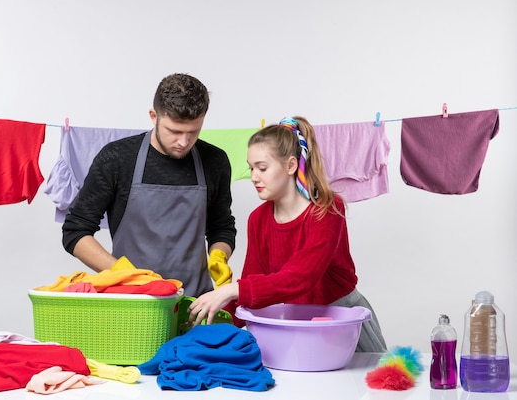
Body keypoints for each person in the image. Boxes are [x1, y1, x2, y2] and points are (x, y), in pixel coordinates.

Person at [188, 116, 387, 352]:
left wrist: (233, 289)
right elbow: (255, 285)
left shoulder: (327, 210)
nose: (253, 177)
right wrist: (211, 318)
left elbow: (301, 276)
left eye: (262, 168)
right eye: (251, 168)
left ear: (291, 165)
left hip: (344, 325)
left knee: (366, 386)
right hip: (301, 327)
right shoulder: (258, 219)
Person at [62, 73, 236, 297]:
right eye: (174, 131)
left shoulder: (215, 161)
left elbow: (221, 227)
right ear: (154, 116)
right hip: (133, 301)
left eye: (193, 132)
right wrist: (122, 273)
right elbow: (75, 231)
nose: (184, 142)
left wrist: (219, 255)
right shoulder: (117, 159)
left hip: (196, 303)